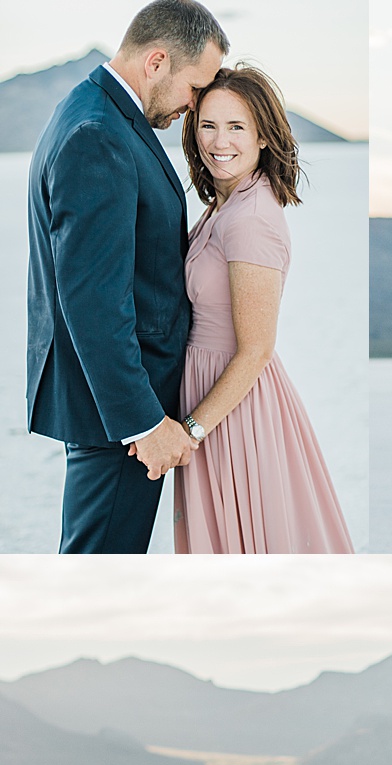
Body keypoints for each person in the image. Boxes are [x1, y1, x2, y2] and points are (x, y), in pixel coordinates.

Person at [27, 3, 229, 553]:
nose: (195, 107)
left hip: (114, 406)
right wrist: (142, 423)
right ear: (158, 61)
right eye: (195, 87)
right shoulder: (98, 133)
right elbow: (92, 298)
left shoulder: (100, 114)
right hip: (118, 418)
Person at [173, 65, 354, 552]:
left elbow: (255, 349)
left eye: (237, 127)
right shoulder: (225, 204)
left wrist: (190, 431)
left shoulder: (252, 218)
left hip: (232, 408)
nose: (219, 141)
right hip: (211, 398)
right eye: (208, 125)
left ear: (264, 138)